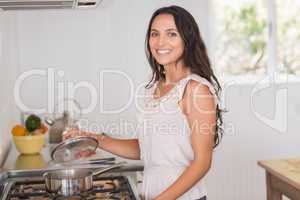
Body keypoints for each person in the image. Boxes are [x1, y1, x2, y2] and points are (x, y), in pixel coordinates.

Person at [64, 5, 223, 200]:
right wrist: (94, 140)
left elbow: (202, 162)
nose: (160, 42)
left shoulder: (195, 89)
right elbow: (146, 149)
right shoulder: (154, 88)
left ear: (187, 41)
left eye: (171, 34)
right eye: (154, 34)